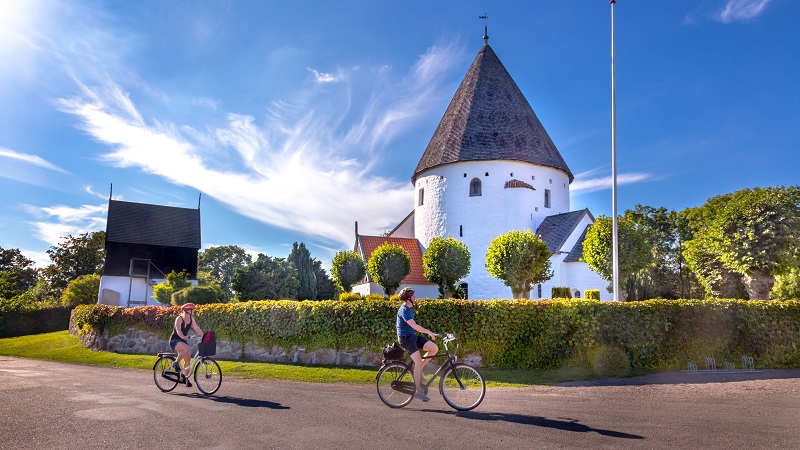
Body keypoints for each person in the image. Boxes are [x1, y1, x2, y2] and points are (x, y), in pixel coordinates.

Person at [396, 287, 438, 402]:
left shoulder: (409, 309)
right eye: (413, 296)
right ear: (408, 298)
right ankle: (418, 392)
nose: (415, 297)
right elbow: (414, 325)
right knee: (418, 362)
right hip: (405, 338)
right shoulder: (404, 309)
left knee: (433, 348)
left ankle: (418, 370)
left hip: (412, 336)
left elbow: (413, 328)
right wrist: (428, 331)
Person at [169, 302, 203, 387]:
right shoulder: (179, 318)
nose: (194, 311)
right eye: (192, 310)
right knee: (187, 348)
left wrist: (203, 335)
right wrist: (183, 337)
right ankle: (176, 363)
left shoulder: (191, 318)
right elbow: (178, 330)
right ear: (188, 311)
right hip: (175, 340)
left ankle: (185, 379)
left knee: (188, 361)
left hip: (183, 341)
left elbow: (196, 327)